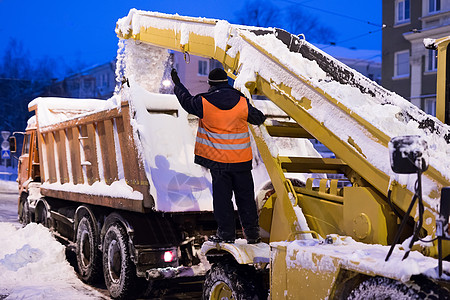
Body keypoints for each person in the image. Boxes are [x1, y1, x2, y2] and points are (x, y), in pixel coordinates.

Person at [171, 67, 266, 244]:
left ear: (210, 84)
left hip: (218, 162)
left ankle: (226, 234)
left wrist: (178, 85)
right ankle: (252, 234)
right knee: (246, 199)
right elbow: (258, 118)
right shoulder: (241, 102)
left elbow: (186, 101)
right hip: (241, 161)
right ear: (226, 82)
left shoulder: (203, 102)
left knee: (223, 201)